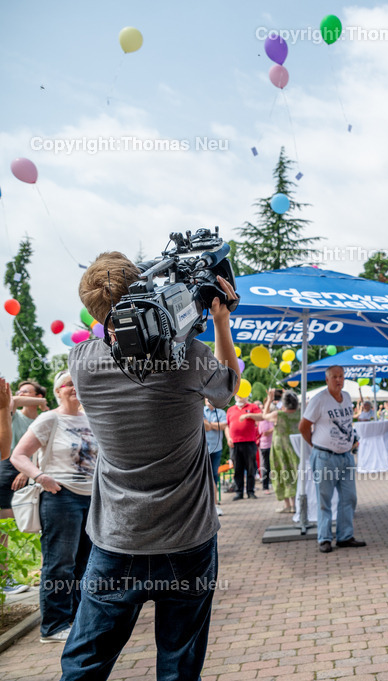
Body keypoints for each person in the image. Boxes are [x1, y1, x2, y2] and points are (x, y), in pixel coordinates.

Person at [60, 251, 238, 679]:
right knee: (178, 663)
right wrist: (219, 318)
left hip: (117, 539)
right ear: (144, 291)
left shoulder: (81, 363)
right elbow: (229, 389)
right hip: (187, 539)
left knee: (85, 663)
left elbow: (118, 338)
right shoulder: (190, 358)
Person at [10, 372, 96, 643]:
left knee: (85, 563)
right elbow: (18, 455)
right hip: (61, 497)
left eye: (76, 383)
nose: (73, 388)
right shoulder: (50, 419)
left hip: (91, 499)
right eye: (67, 384)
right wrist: (40, 477)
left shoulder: (92, 418)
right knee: (60, 565)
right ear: (57, 392)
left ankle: (78, 620)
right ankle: (53, 626)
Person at [298, 365, 366, 554]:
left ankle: (345, 536)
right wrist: (315, 444)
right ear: (327, 380)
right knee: (324, 499)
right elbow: (303, 426)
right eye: (334, 377)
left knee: (349, 498)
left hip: (345, 456)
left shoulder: (347, 398)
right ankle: (325, 538)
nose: (338, 380)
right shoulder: (319, 400)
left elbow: (348, 422)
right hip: (325, 457)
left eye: (341, 376)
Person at [1, 379, 46, 594]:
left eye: (26, 391)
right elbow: (13, 400)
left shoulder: (45, 420)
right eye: (19, 391)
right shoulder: (14, 415)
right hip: (8, 470)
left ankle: (46, 570)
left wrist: (26, 470)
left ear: (37, 397)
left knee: (45, 521)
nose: (19, 394)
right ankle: (4, 578)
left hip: (36, 471)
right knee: (4, 527)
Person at [243, 391, 301, 514]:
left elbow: (264, 416)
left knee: (281, 473)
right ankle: (295, 504)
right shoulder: (300, 413)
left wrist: (269, 399)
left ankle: (288, 505)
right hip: (296, 448)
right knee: (295, 474)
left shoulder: (278, 414)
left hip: (280, 448)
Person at [226, 394, 261, 500]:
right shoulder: (231, 409)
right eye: (238, 395)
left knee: (251, 468)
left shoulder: (252, 407)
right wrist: (228, 438)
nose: (240, 397)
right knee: (238, 468)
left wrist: (248, 415)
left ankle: (250, 491)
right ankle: (239, 492)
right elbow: (227, 426)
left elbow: (261, 417)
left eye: (242, 395)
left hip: (249, 442)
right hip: (235, 443)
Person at [203, 398, 227, 517]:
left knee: (213, 475)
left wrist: (209, 424)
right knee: (204, 476)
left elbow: (223, 426)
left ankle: (215, 504)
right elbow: (206, 427)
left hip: (216, 448)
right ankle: (207, 504)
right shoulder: (201, 411)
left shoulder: (221, 412)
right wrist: (214, 425)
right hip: (203, 450)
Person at [257, 392, 277, 494]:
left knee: (274, 465)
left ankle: (274, 484)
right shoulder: (263, 418)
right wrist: (273, 429)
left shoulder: (273, 416)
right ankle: (265, 487)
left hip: (274, 445)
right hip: (265, 445)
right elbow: (264, 432)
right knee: (266, 466)